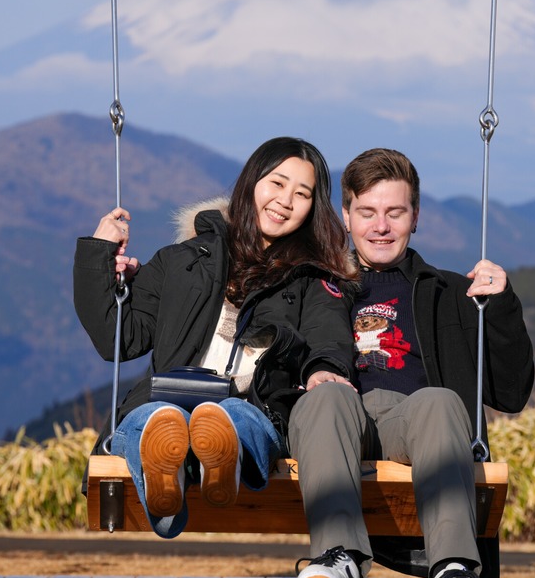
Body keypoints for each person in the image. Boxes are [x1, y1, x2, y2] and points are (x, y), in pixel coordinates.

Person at [290, 148, 535, 578]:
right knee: (330, 395)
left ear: (415, 216)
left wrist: (502, 308)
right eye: (367, 212)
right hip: (333, 421)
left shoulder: (451, 293)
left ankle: (453, 575)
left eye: (395, 212)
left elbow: (511, 392)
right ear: (346, 216)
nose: (381, 226)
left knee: (440, 401)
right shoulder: (314, 287)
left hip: (416, 425)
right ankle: (337, 562)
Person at [74, 137, 358, 538]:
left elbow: (327, 335)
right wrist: (99, 254)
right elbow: (117, 339)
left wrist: (324, 370)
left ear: (313, 207)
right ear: (251, 183)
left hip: (252, 406)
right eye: (277, 183)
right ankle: (167, 486)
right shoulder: (182, 262)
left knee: (236, 418)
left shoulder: (312, 280)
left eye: (302, 194)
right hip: (167, 400)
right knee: (150, 420)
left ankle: (219, 462)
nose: (285, 201)